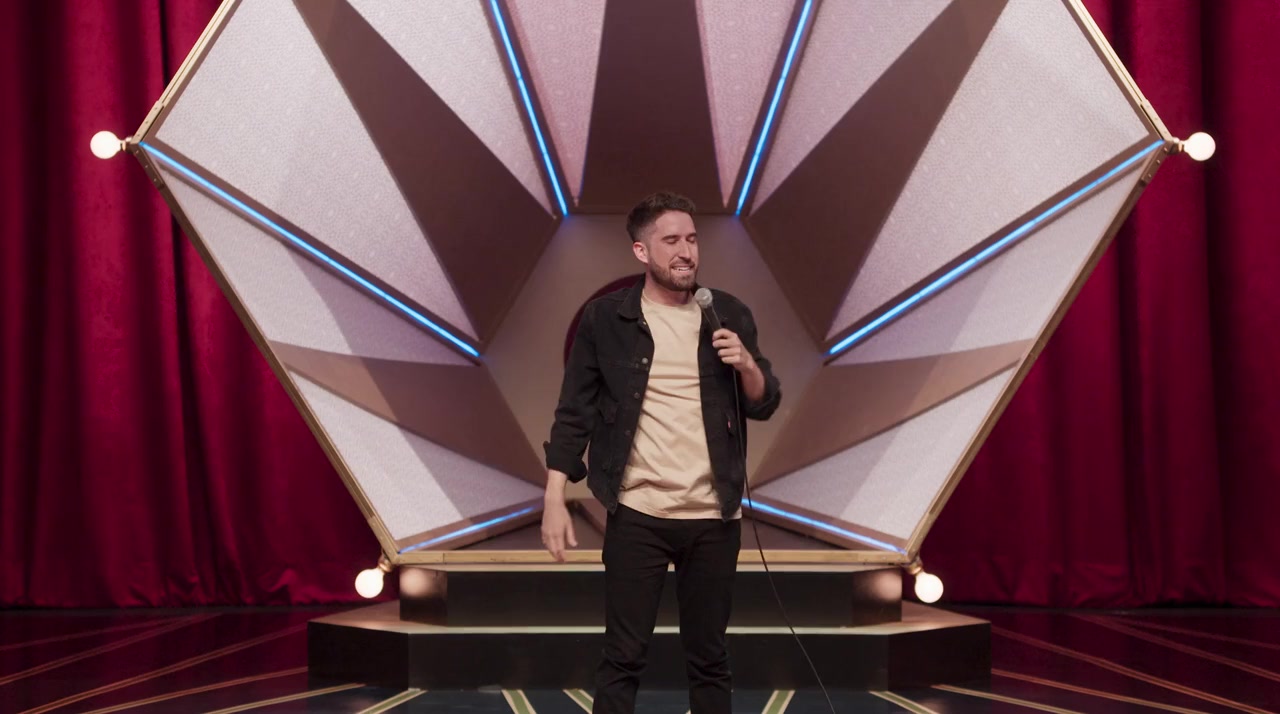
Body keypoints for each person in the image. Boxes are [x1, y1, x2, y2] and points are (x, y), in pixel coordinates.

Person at [541, 191, 782, 714]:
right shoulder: (606, 320)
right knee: (622, 658)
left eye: (692, 239)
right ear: (641, 251)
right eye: (671, 240)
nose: (686, 251)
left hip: (714, 515)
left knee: (710, 659)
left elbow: (764, 402)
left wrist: (747, 365)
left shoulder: (727, 312)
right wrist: (554, 497)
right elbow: (574, 412)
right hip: (638, 513)